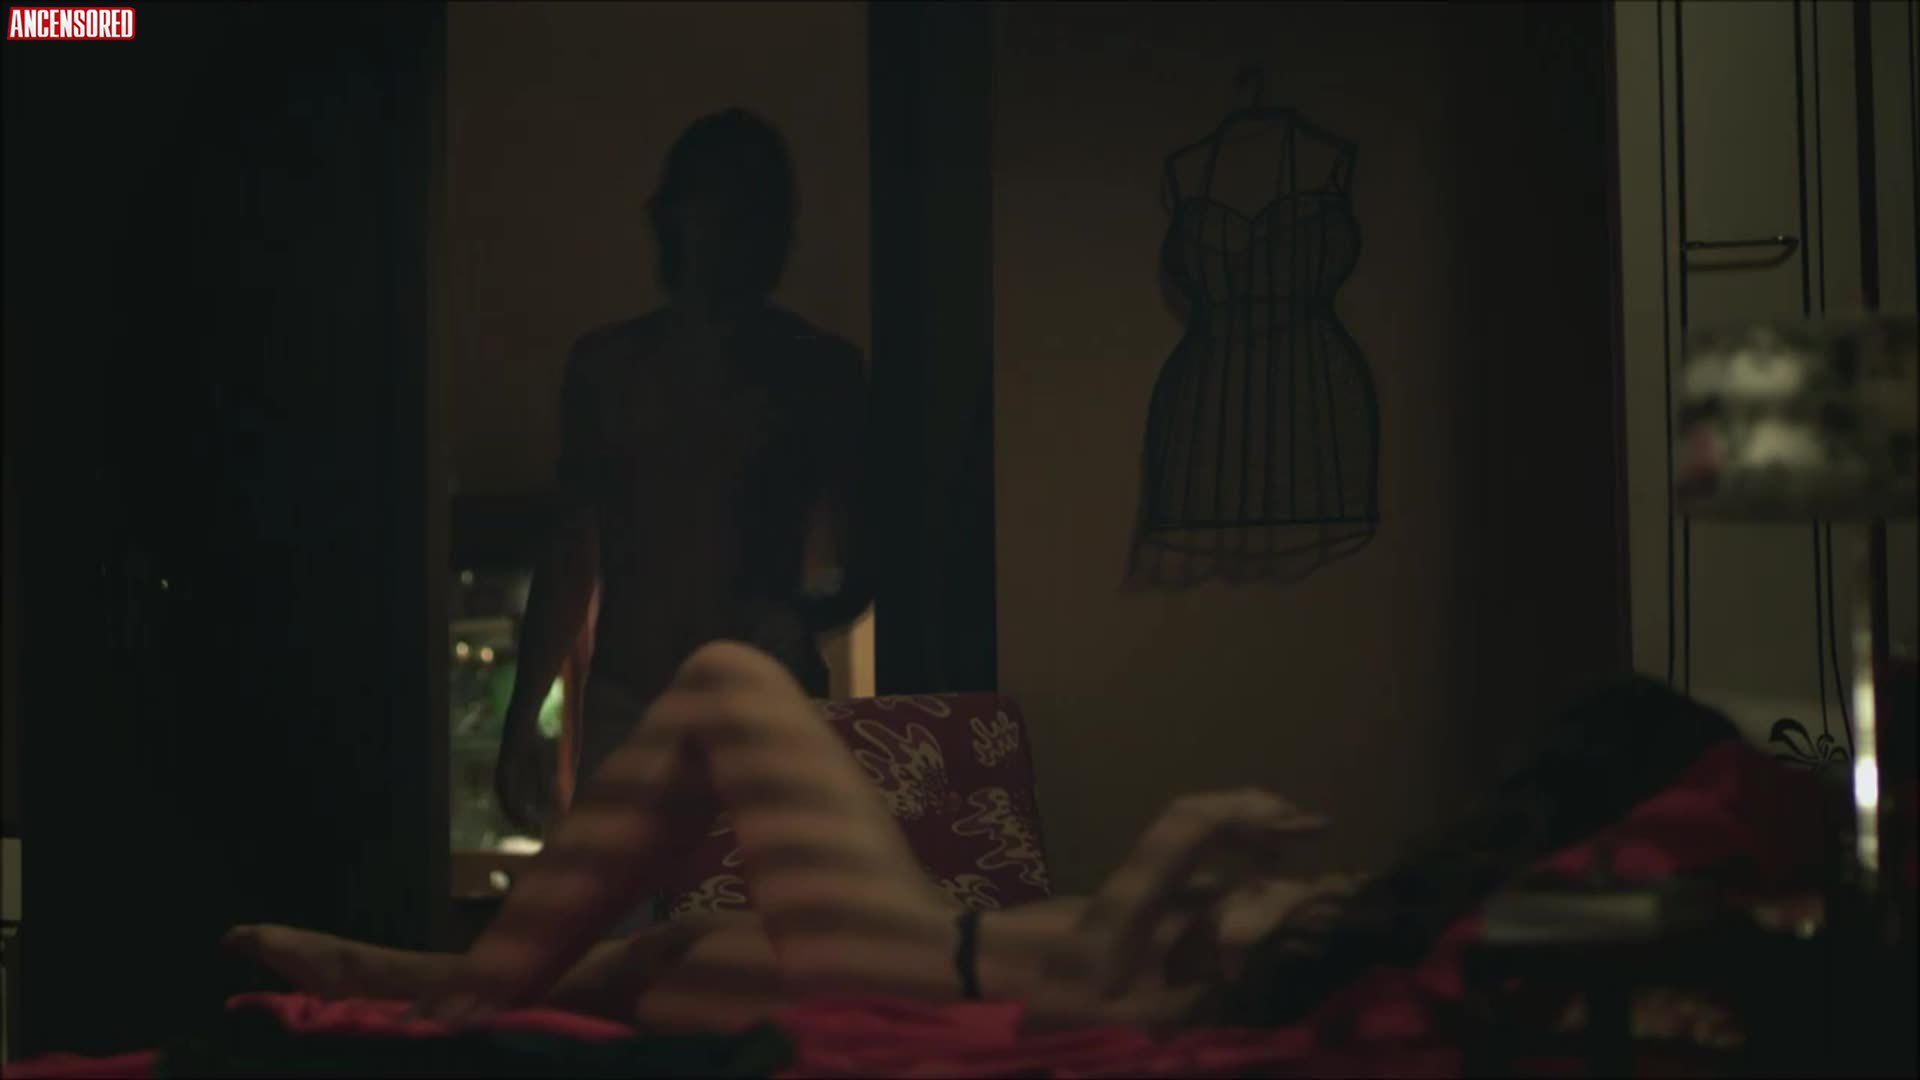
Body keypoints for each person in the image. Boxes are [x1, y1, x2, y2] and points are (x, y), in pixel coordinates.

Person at [230, 642, 1355, 1036]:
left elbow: (1070, 1009)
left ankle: (454, 1007)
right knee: (666, 959)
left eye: (1315, 897)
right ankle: (409, 981)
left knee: (726, 682)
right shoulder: (1219, 946)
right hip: (922, 960)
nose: (1314, 882)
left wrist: (1187, 830)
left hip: (926, 961)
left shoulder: (1234, 968)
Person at [495, 109, 875, 832]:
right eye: (715, 201)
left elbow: (867, 555)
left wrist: (797, 617)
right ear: (675, 216)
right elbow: (570, 554)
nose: (729, 226)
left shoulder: (817, 373)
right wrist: (523, 717)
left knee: (759, 893)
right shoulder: (608, 370)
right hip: (635, 698)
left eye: (749, 206)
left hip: (765, 698)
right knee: (639, 898)